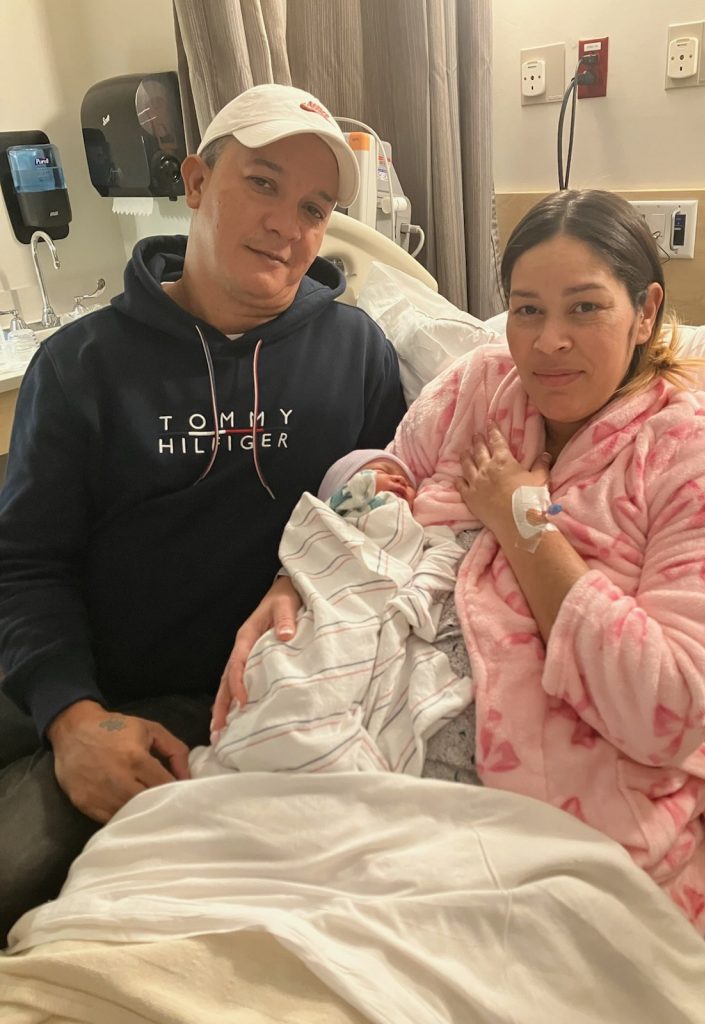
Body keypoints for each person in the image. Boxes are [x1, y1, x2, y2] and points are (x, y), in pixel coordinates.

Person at [262, 190, 705, 962]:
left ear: (645, 310)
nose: (547, 344)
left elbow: (673, 704)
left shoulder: (696, 455)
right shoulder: (477, 386)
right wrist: (296, 583)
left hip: (551, 817)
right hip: (364, 731)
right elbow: (379, 498)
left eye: (584, 308)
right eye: (526, 310)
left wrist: (522, 526)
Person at [0, 83, 406, 941]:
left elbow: (385, 526)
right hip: (95, 692)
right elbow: (27, 565)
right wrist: (73, 719)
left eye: (314, 207)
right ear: (193, 181)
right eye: (261, 184)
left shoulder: (357, 353)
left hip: (258, 706)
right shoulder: (82, 367)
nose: (287, 226)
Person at [194, 448, 470, 777]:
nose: (399, 479)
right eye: (380, 470)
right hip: (330, 607)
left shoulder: (417, 530)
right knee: (291, 667)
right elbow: (319, 529)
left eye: (407, 482)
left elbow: (444, 555)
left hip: (379, 609)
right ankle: (281, 733)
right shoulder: (338, 516)